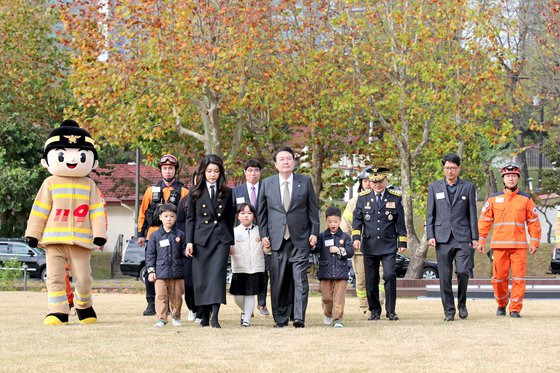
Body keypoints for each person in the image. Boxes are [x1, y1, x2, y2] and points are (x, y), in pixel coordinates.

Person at [25, 119, 107, 325]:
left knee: (85, 278)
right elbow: (40, 210)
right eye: (62, 154)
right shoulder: (49, 183)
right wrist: (33, 233)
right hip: (54, 239)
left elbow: (97, 212)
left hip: (80, 241)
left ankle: (83, 304)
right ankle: (58, 310)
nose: (72, 160)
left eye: (80, 155)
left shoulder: (89, 185)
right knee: (54, 278)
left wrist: (100, 234)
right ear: (48, 159)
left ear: (92, 161)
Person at [257, 146, 320, 328]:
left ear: (294, 162)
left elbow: (313, 211)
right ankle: (281, 318)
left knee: (300, 279)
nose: (285, 162)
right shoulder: (267, 183)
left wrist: (314, 232)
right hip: (277, 240)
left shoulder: (305, 181)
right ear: (276, 164)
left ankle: (299, 317)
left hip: (300, 238)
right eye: (281, 159)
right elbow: (262, 214)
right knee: (279, 280)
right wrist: (264, 235)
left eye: (288, 158)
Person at [477, 162, 541, 318]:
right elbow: (484, 220)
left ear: (518, 178)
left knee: (519, 279)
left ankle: (515, 309)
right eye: (508, 176)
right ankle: (501, 304)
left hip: (519, 247)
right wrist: (481, 239)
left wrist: (534, 241)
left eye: (513, 176)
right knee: (499, 279)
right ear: (503, 179)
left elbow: (533, 222)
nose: (511, 179)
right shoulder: (493, 199)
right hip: (499, 246)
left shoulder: (526, 199)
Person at [425, 153, 478, 321]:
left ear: (459, 169)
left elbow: (472, 213)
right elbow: (430, 213)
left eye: (453, 168)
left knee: (463, 271)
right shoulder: (435, 187)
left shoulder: (468, 187)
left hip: (463, 236)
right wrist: (430, 235)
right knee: (444, 275)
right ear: (443, 169)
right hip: (442, 237)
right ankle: (449, 310)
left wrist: (475, 237)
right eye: (447, 168)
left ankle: (461, 303)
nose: (450, 171)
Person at [185, 154, 235, 328]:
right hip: (201, 240)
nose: (212, 174)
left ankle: (215, 316)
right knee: (202, 279)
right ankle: (204, 315)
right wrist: (189, 242)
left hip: (221, 239)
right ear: (203, 172)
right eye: (209, 171)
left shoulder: (227, 192)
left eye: (216, 171)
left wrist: (232, 242)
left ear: (220, 172)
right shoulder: (194, 192)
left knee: (217, 278)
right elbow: (190, 219)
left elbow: (230, 219)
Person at [352, 167, 407, 321]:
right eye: (374, 181)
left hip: (388, 244)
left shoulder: (395, 198)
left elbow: (400, 222)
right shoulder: (363, 198)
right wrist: (356, 238)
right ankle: (375, 310)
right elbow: (357, 221)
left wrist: (402, 241)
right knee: (371, 279)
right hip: (369, 245)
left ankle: (391, 311)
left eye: (380, 181)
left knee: (389, 275)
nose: (377, 184)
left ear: (386, 180)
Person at [137, 154, 188, 316]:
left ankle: (173, 305)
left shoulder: (184, 191)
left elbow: (187, 216)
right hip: (154, 234)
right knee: (152, 269)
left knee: (174, 271)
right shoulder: (150, 191)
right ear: (160, 170)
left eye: (170, 168)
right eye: (165, 168)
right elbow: (143, 213)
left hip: (175, 236)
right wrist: (140, 233)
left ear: (175, 170)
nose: (167, 171)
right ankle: (151, 302)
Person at [232, 159, 270, 316]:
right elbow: (233, 215)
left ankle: (261, 303)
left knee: (262, 269)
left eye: (256, 170)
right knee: (243, 269)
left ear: (260, 173)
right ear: (245, 172)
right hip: (241, 234)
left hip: (261, 233)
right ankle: (247, 307)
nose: (253, 173)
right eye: (250, 170)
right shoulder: (236, 191)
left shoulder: (266, 189)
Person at [340, 166, 375, 315]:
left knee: (378, 280)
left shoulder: (382, 199)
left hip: (378, 248)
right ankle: (364, 307)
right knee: (361, 280)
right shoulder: (354, 202)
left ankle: (378, 305)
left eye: (370, 180)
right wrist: (346, 243)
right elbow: (345, 225)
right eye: (364, 181)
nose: (367, 183)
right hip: (359, 249)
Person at [312, 206, 354, 328]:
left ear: (340, 220)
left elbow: (350, 251)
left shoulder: (345, 237)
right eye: (330, 222)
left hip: (341, 273)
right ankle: (328, 314)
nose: (332, 224)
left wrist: (339, 250)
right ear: (326, 221)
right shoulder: (321, 236)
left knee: (339, 298)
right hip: (325, 272)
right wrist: (312, 246)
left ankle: (337, 319)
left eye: (335, 221)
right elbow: (316, 249)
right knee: (326, 297)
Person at [145, 203, 186, 327]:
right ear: (160, 217)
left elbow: (184, 251)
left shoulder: (180, 235)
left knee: (177, 297)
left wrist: (187, 251)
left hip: (177, 272)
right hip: (160, 273)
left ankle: (176, 316)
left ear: (176, 218)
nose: (169, 219)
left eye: (172, 216)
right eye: (166, 216)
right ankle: (161, 318)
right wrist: (151, 271)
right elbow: (150, 255)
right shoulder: (154, 236)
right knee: (161, 296)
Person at [229, 203, 266, 327]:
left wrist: (267, 246)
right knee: (237, 297)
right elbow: (229, 249)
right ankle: (246, 312)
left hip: (255, 267)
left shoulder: (259, 231)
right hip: (239, 268)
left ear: (254, 216)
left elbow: (266, 250)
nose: (246, 216)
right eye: (243, 213)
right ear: (237, 216)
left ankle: (246, 321)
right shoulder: (233, 232)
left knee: (250, 293)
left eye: (249, 213)